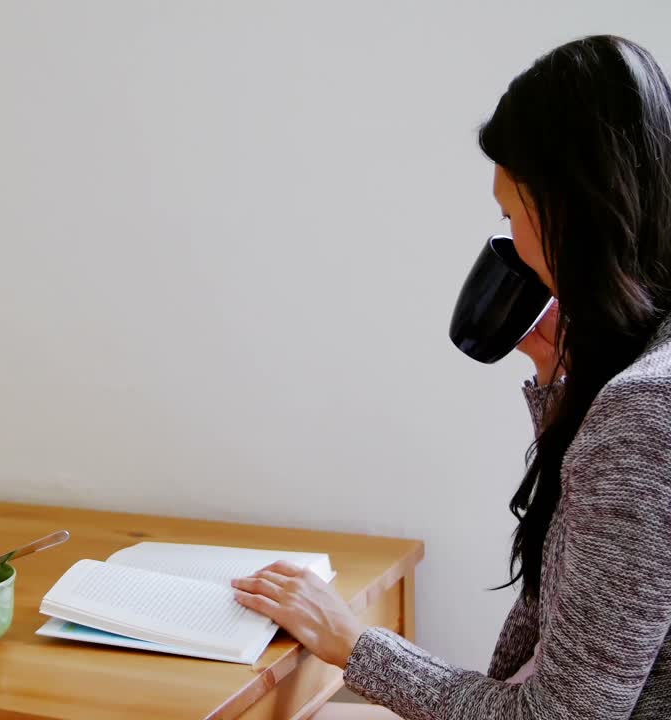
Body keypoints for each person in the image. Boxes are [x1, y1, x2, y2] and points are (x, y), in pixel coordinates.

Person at [232, 35, 671, 719]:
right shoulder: (641, 377)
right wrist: (559, 380)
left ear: (571, 213)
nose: (512, 244)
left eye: (510, 215)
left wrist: (353, 642)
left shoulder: (643, 411)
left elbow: (559, 716)